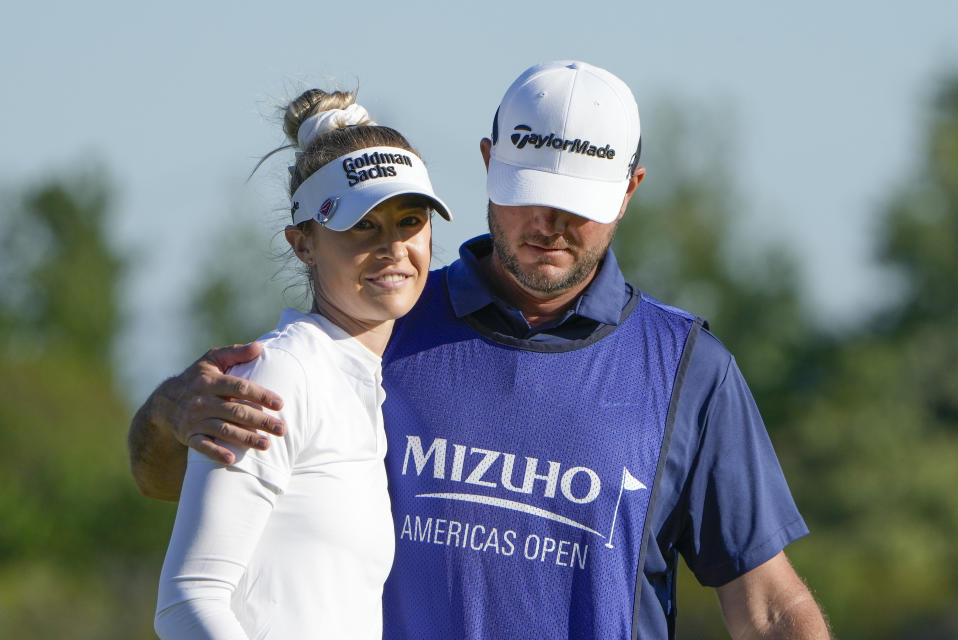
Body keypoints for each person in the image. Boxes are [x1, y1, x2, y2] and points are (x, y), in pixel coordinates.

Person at [131, 61, 829, 639]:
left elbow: (768, 609)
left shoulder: (687, 369)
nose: (549, 226)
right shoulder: (381, 322)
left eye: (578, 204)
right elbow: (188, 487)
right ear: (489, 162)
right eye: (529, 194)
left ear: (629, 190)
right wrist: (168, 415)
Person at [151, 88, 451, 639]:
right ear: (303, 243)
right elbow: (187, 601)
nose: (393, 248)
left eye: (409, 220)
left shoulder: (371, 381)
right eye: (363, 225)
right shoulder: (280, 374)